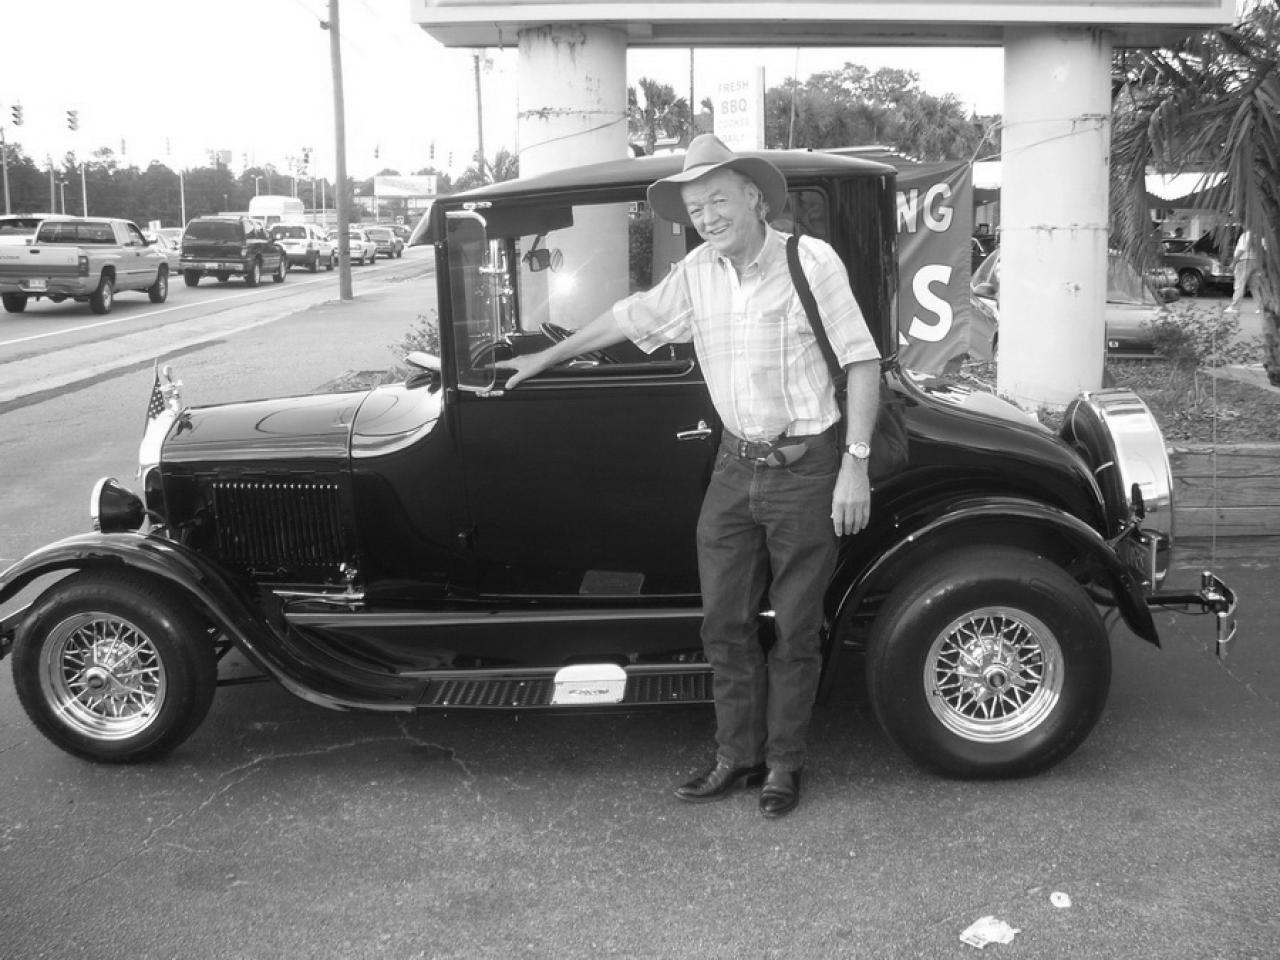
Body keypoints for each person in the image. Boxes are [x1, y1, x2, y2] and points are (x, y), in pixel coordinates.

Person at [501, 135, 881, 818]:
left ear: (754, 198)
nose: (707, 216)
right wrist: (544, 359)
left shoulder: (809, 260)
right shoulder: (699, 270)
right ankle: (737, 756)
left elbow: (861, 361)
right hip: (735, 468)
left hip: (807, 469)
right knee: (723, 625)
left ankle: (784, 763)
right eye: (696, 208)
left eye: (717, 200)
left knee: (797, 629)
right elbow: (628, 317)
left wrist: (855, 463)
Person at [1229, 230, 1259, 313]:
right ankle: (1260, 307)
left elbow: (1241, 250)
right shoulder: (1259, 235)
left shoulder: (1246, 235)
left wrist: (1234, 263)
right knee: (1254, 287)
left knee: (1239, 285)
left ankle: (1235, 307)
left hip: (1243, 261)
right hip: (1255, 261)